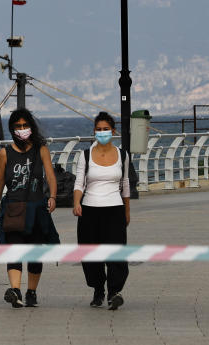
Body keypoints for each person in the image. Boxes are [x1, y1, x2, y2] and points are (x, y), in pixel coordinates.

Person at [0, 108, 59, 308]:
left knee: (35, 252)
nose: (22, 130)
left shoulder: (41, 150)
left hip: (37, 208)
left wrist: (53, 196)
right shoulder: (5, 153)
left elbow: (50, 175)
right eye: (18, 127)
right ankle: (15, 290)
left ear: (31, 126)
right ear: (12, 130)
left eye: (25, 125)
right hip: (14, 209)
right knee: (14, 250)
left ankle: (31, 292)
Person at [73, 111, 131, 310]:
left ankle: (114, 292)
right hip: (89, 209)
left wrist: (127, 211)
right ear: (94, 131)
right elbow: (79, 183)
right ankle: (98, 289)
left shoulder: (123, 154)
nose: (102, 132)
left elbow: (125, 184)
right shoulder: (85, 154)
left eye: (106, 129)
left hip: (114, 209)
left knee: (116, 253)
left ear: (113, 131)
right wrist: (76, 203)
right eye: (98, 129)